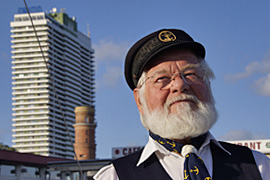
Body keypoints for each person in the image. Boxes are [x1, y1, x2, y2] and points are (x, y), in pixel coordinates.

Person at [94, 29, 270, 180]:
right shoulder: (114, 176)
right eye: (162, 78)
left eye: (192, 74)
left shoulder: (259, 167)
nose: (180, 85)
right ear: (140, 100)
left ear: (208, 85)